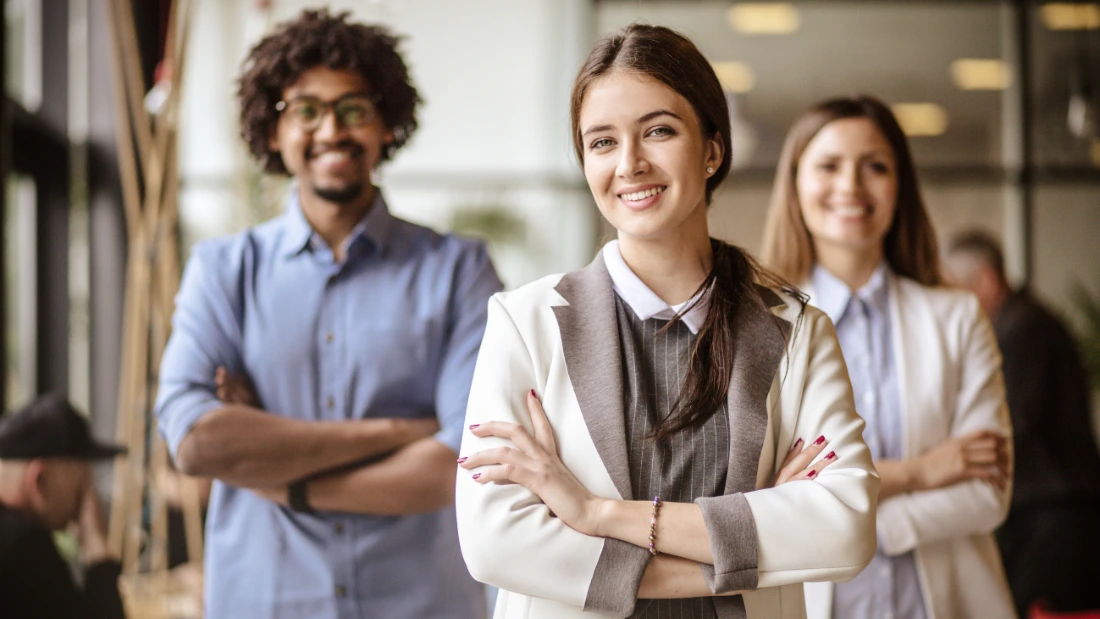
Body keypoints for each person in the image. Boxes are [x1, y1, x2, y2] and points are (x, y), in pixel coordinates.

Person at [455, 24, 879, 619]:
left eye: (657, 131)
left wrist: (595, 515)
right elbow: (494, 542)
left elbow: (845, 526)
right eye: (602, 142)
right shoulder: (525, 323)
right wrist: (738, 553)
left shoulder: (798, 331)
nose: (629, 164)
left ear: (712, 149)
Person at [154, 9, 501, 619]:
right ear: (272, 131)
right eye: (305, 110)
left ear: (386, 122)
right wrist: (396, 432)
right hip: (264, 602)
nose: (330, 131)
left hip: (422, 604)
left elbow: (462, 463)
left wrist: (279, 477)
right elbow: (194, 441)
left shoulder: (459, 270)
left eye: (353, 108)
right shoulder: (222, 271)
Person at [761, 95, 1015, 619]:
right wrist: (923, 472)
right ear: (795, 185)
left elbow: (987, 492)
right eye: (829, 166)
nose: (851, 186)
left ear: (900, 185)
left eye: (874, 166)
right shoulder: (758, 324)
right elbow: (756, 496)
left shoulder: (957, 317)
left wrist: (838, 516)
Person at [945, 230, 1100, 617]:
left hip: (1056, 515)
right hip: (1051, 513)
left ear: (985, 280)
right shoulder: (1023, 322)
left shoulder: (1024, 328)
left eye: (952, 289)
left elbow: (1013, 422)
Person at [0, 393, 127, 619]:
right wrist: (97, 551)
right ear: (40, 479)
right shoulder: (25, 551)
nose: (88, 499)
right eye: (82, 485)